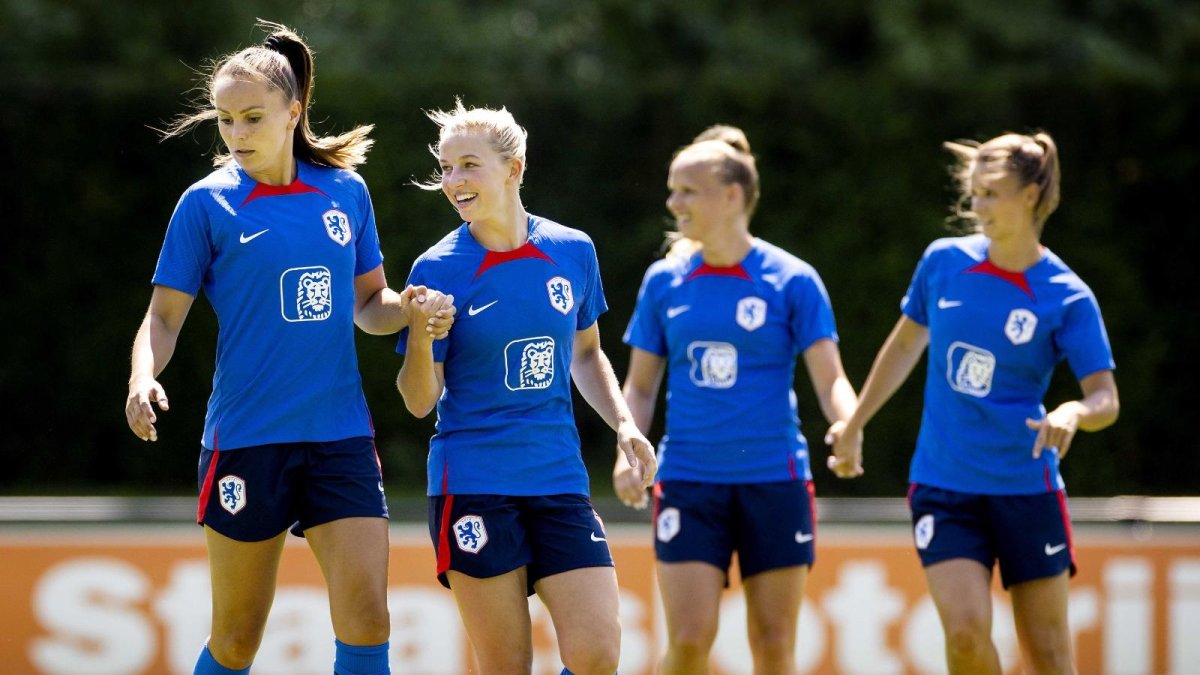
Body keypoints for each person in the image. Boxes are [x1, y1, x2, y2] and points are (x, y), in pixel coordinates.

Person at [123, 21, 455, 675]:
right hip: (246, 439)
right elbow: (162, 317)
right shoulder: (206, 205)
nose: (237, 134)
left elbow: (370, 306)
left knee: (368, 618)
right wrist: (141, 377)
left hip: (340, 438)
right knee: (238, 638)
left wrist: (413, 312)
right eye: (225, 120)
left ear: (293, 110)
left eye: (252, 117)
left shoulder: (344, 192)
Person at [828, 131, 1120, 674]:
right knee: (964, 637)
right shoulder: (943, 263)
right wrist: (855, 422)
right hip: (944, 486)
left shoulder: (1067, 294)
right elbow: (904, 345)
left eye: (991, 193)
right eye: (974, 192)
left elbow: (1105, 397)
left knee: (1051, 655)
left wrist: (1073, 412)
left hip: (1025, 489)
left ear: (1031, 196)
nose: (976, 206)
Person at [395, 98, 657, 675]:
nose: (453, 181)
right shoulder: (435, 269)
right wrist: (418, 335)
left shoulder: (572, 250)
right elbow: (419, 402)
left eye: (468, 165)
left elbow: (585, 354)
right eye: (445, 168)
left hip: (558, 478)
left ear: (515, 168)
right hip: (474, 483)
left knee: (596, 656)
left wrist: (624, 425)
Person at [613, 125, 858, 674]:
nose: (673, 202)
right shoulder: (664, 281)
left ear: (731, 196)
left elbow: (830, 379)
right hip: (690, 481)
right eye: (672, 190)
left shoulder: (793, 280)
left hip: (775, 480)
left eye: (687, 191)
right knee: (691, 641)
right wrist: (627, 449)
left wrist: (850, 422)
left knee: (773, 644)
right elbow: (641, 385)